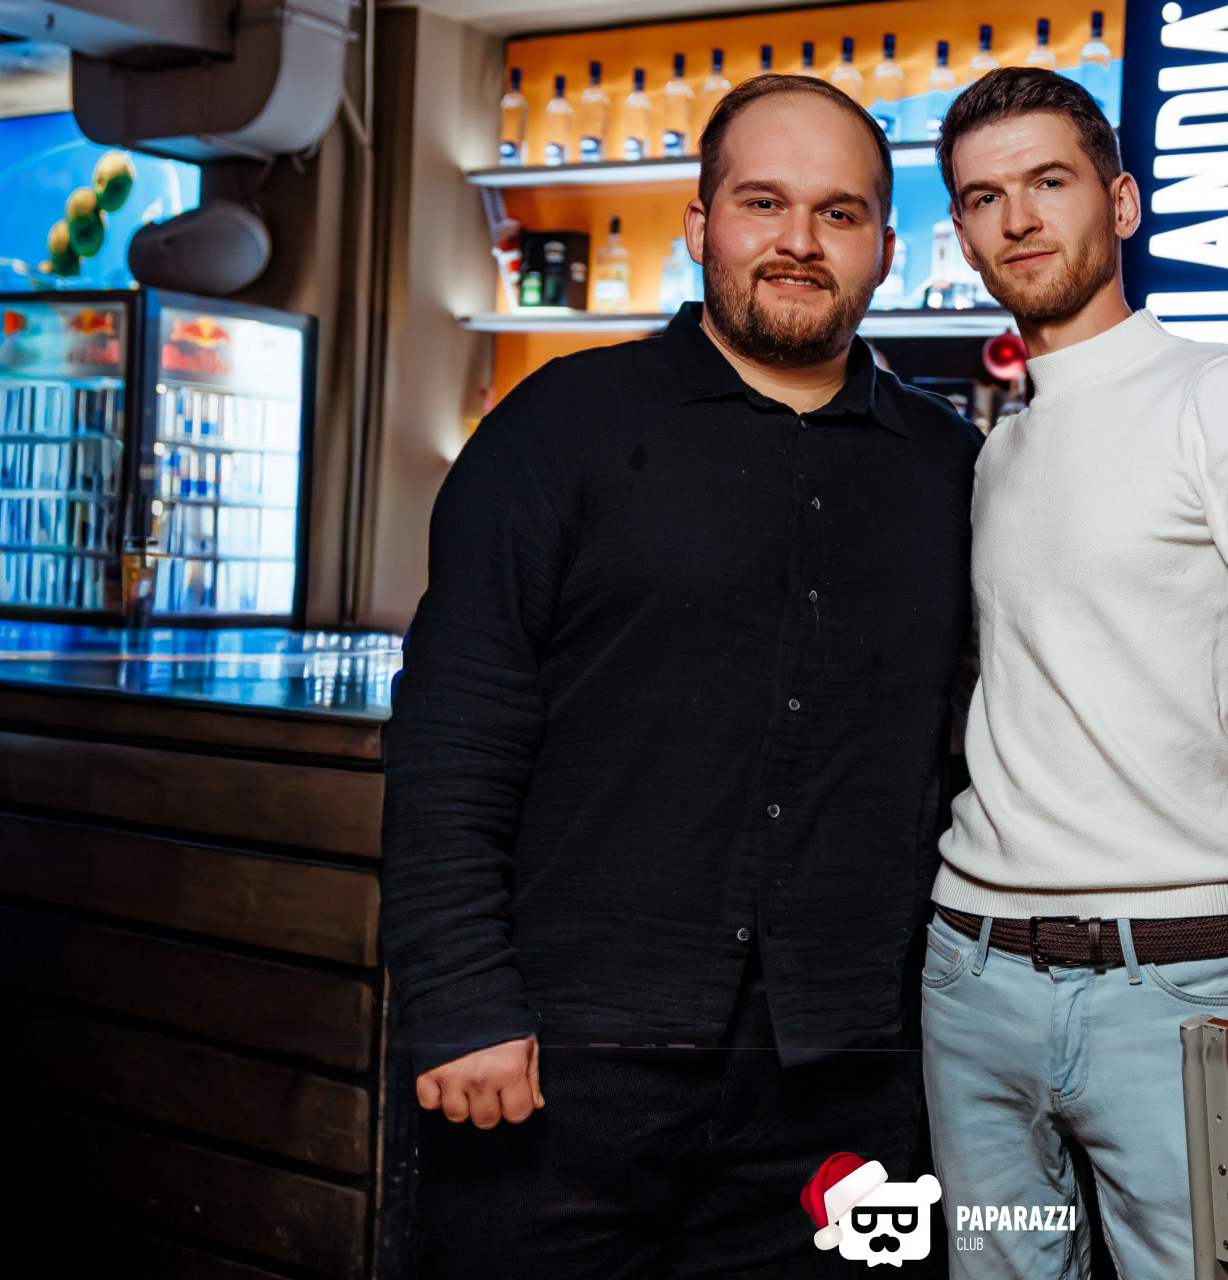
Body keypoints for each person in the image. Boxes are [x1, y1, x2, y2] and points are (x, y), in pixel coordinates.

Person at [381, 74, 980, 1279]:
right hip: (562, 1055)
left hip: (844, 1081)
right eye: (764, 203)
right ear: (701, 224)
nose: (800, 240)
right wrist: (461, 999)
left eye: (840, 212)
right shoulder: (560, 425)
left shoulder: (954, 470)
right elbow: (455, 730)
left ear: (885, 245)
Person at [920, 68, 1228, 1277]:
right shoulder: (999, 450)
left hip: (1173, 978)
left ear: (1122, 203)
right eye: (983, 197)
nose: (1018, 219)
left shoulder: (1222, 392)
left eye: (1049, 181)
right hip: (969, 974)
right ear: (962, 235)